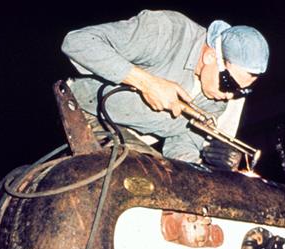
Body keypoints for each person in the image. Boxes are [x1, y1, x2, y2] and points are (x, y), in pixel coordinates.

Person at [61, 9, 268, 170]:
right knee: (139, 170)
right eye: (228, 83)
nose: (229, 95)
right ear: (210, 57)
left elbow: (180, 147)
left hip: (128, 138)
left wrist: (206, 167)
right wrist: (147, 83)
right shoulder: (167, 30)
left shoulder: (215, 101)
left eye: (240, 91)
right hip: (84, 111)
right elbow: (77, 42)